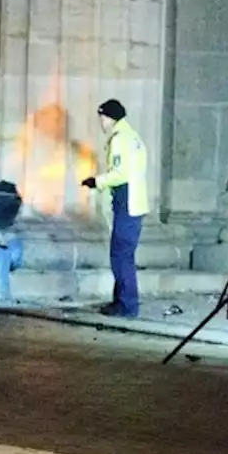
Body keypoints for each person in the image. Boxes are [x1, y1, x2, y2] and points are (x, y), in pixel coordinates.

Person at [81, 99, 149, 318]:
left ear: (109, 118)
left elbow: (120, 173)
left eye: (102, 117)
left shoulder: (119, 139)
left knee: (120, 255)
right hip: (135, 200)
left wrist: (97, 181)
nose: (101, 122)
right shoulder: (133, 136)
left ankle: (127, 305)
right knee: (123, 253)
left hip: (126, 200)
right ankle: (121, 301)